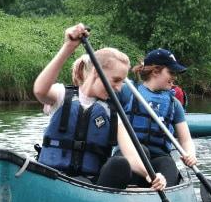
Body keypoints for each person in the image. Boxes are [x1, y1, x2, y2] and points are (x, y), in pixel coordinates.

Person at [33, 23, 167, 190]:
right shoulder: (61, 96)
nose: (119, 88)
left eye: (122, 82)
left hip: (88, 187)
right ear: (97, 73)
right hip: (51, 179)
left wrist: (151, 174)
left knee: (120, 164)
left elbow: (132, 156)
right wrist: (69, 46)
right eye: (116, 80)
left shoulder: (112, 113)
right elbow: (39, 90)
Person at [117, 48, 197, 187]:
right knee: (142, 151)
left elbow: (186, 139)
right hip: (128, 153)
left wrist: (190, 154)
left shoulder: (174, 104)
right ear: (155, 71)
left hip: (159, 157)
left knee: (168, 164)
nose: (175, 77)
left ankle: (162, 196)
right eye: (171, 72)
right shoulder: (127, 91)